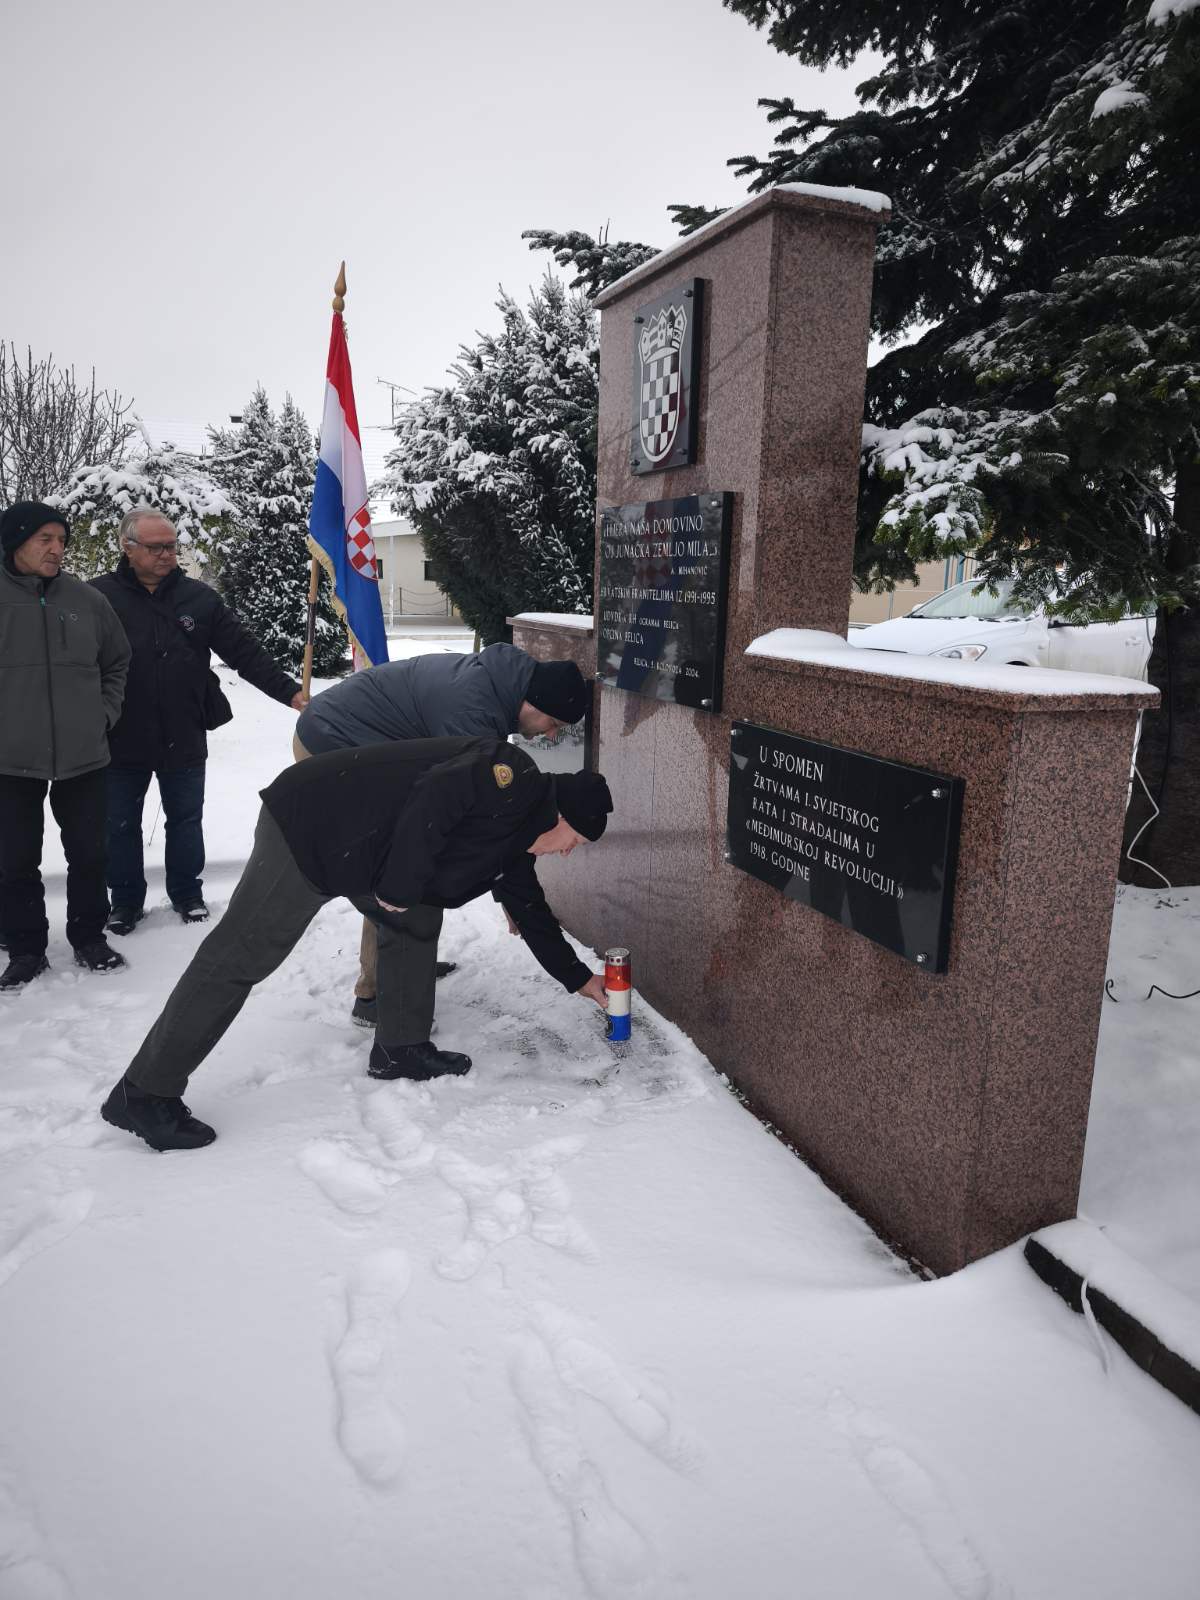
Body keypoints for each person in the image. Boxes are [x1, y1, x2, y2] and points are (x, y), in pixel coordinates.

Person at [100, 738, 613, 1150]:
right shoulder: (510, 777)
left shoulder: (518, 838)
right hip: (311, 827)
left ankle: (401, 1047)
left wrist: (580, 979)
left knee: (414, 921)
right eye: (577, 843)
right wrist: (397, 885)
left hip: (363, 845)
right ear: (562, 818)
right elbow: (437, 795)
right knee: (240, 956)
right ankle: (145, 1092)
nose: (569, 853)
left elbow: (532, 913)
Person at [294, 644, 590, 1027]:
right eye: (553, 724)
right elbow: (478, 823)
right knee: (394, 865)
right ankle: (378, 995)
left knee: (411, 859)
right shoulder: (473, 714)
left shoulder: (497, 688)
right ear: (533, 704)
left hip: (348, 733)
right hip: (333, 744)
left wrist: (507, 890)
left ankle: (405, 963)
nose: (549, 736)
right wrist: (512, 892)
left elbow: (491, 829)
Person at [91, 508, 308, 932]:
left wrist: (292, 694)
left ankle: (187, 893)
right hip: (120, 734)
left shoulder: (200, 599)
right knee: (119, 824)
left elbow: (244, 653)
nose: (167, 555)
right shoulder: (98, 598)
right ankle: (125, 901)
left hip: (183, 730)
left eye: (171, 546)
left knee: (186, 819)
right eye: (156, 548)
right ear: (127, 547)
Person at [0, 501, 131, 988]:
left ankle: (89, 937)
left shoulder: (86, 600)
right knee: (14, 860)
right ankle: (26, 947)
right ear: (16, 543)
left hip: (83, 754)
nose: (57, 549)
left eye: (61, 540)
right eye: (45, 540)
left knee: (91, 853)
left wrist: (104, 714)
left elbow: (118, 661)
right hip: (10, 758)